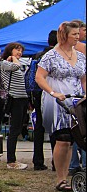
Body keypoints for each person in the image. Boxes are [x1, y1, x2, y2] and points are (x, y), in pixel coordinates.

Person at [35, 21, 86, 192]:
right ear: (65, 35)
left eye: (78, 34)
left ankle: (67, 176)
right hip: (57, 100)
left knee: (72, 139)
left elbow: (84, 78)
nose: (77, 37)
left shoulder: (80, 56)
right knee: (62, 138)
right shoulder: (51, 56)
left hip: (76, 100)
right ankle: (60, 178)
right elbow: (39, 77)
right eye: (74, 35)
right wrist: (52, 92)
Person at [29, 30, 57, 171]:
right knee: (55, 127)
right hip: (53, 93)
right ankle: (56, 161)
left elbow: (30, 78)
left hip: (38, 94)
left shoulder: (37, 55)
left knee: (39, 127)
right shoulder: (57, 56)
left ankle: (38, 161)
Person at [0, 42, 30, 170]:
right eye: (17, 50)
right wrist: (15, 59)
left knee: (18, 129)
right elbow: (16, 67)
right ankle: (11, 160)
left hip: (22, 99)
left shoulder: (15, 63)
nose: (19, 53)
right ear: (10, 50)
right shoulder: (5, 63)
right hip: (15, 99)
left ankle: (13, 159)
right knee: (14, 130)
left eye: (21, 51)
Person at [68, 19, 86, 175]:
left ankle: (73, 164)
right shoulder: (81, 49)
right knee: (82, 129)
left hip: (74, 94)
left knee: (74, 131)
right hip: (78, 95)